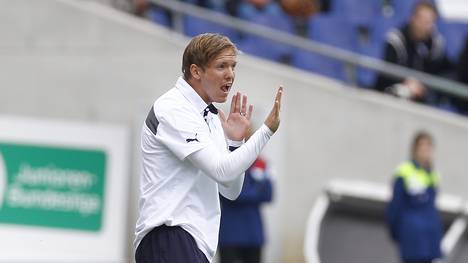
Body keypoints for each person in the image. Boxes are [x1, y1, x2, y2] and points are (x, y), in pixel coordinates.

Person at [134, 33, 283, 263]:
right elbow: (222, 171)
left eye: (233, 66)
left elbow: (230, 190)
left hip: (191, 242)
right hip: (168, 235)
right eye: (222, 66)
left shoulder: (210, 115)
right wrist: (265, 132)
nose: (231, 74)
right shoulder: (173, 108)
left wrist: (235, 143)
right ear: (196, 71)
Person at [374, 1, 452, 103]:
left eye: (429, 22)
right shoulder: (396, 39)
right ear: (413, 18)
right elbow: (386, 74)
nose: (425, 26)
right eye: (422, 20)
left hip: (422, 97)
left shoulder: (436, 44)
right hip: (389, 95)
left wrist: (425, 86)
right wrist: (406, 82)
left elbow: (446, 70)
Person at [218, 125, 274, 263]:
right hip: (230, 233)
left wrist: (247, 192)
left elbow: (268, 195)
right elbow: (230, 195)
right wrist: (255, 191)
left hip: (253, 233)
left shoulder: (261, 164)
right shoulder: (226, 161)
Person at [386, 131, 443, 263]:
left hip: (430, 239)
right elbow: (395, 205)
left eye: (429, 148)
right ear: (415, 149)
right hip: (412, 238)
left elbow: (432, 208)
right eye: (422, 147)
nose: (426, 151)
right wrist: (395, 232)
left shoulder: (433, 174)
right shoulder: (404, 171)